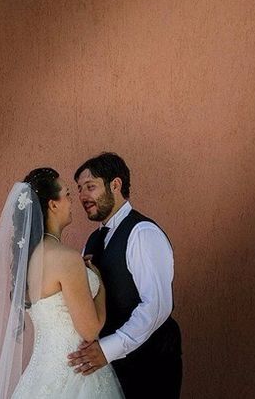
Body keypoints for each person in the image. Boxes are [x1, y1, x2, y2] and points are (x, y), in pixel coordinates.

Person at [0, 168, 124, 398]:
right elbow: (90, 330)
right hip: (76, 371)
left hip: (40, 373)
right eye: (67, 194)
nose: (72, 201)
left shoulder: (30, 261)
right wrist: (100, 285)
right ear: (53, 205)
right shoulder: (66, 258)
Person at [67, 153, 182, 399]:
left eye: (90, 187)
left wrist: (108, 349)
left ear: (115, 185)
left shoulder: (143, 232)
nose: (83, 197)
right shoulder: (92, 240)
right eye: (79, 189)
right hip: (111, 368)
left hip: (151, 365)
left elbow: (157, 306)